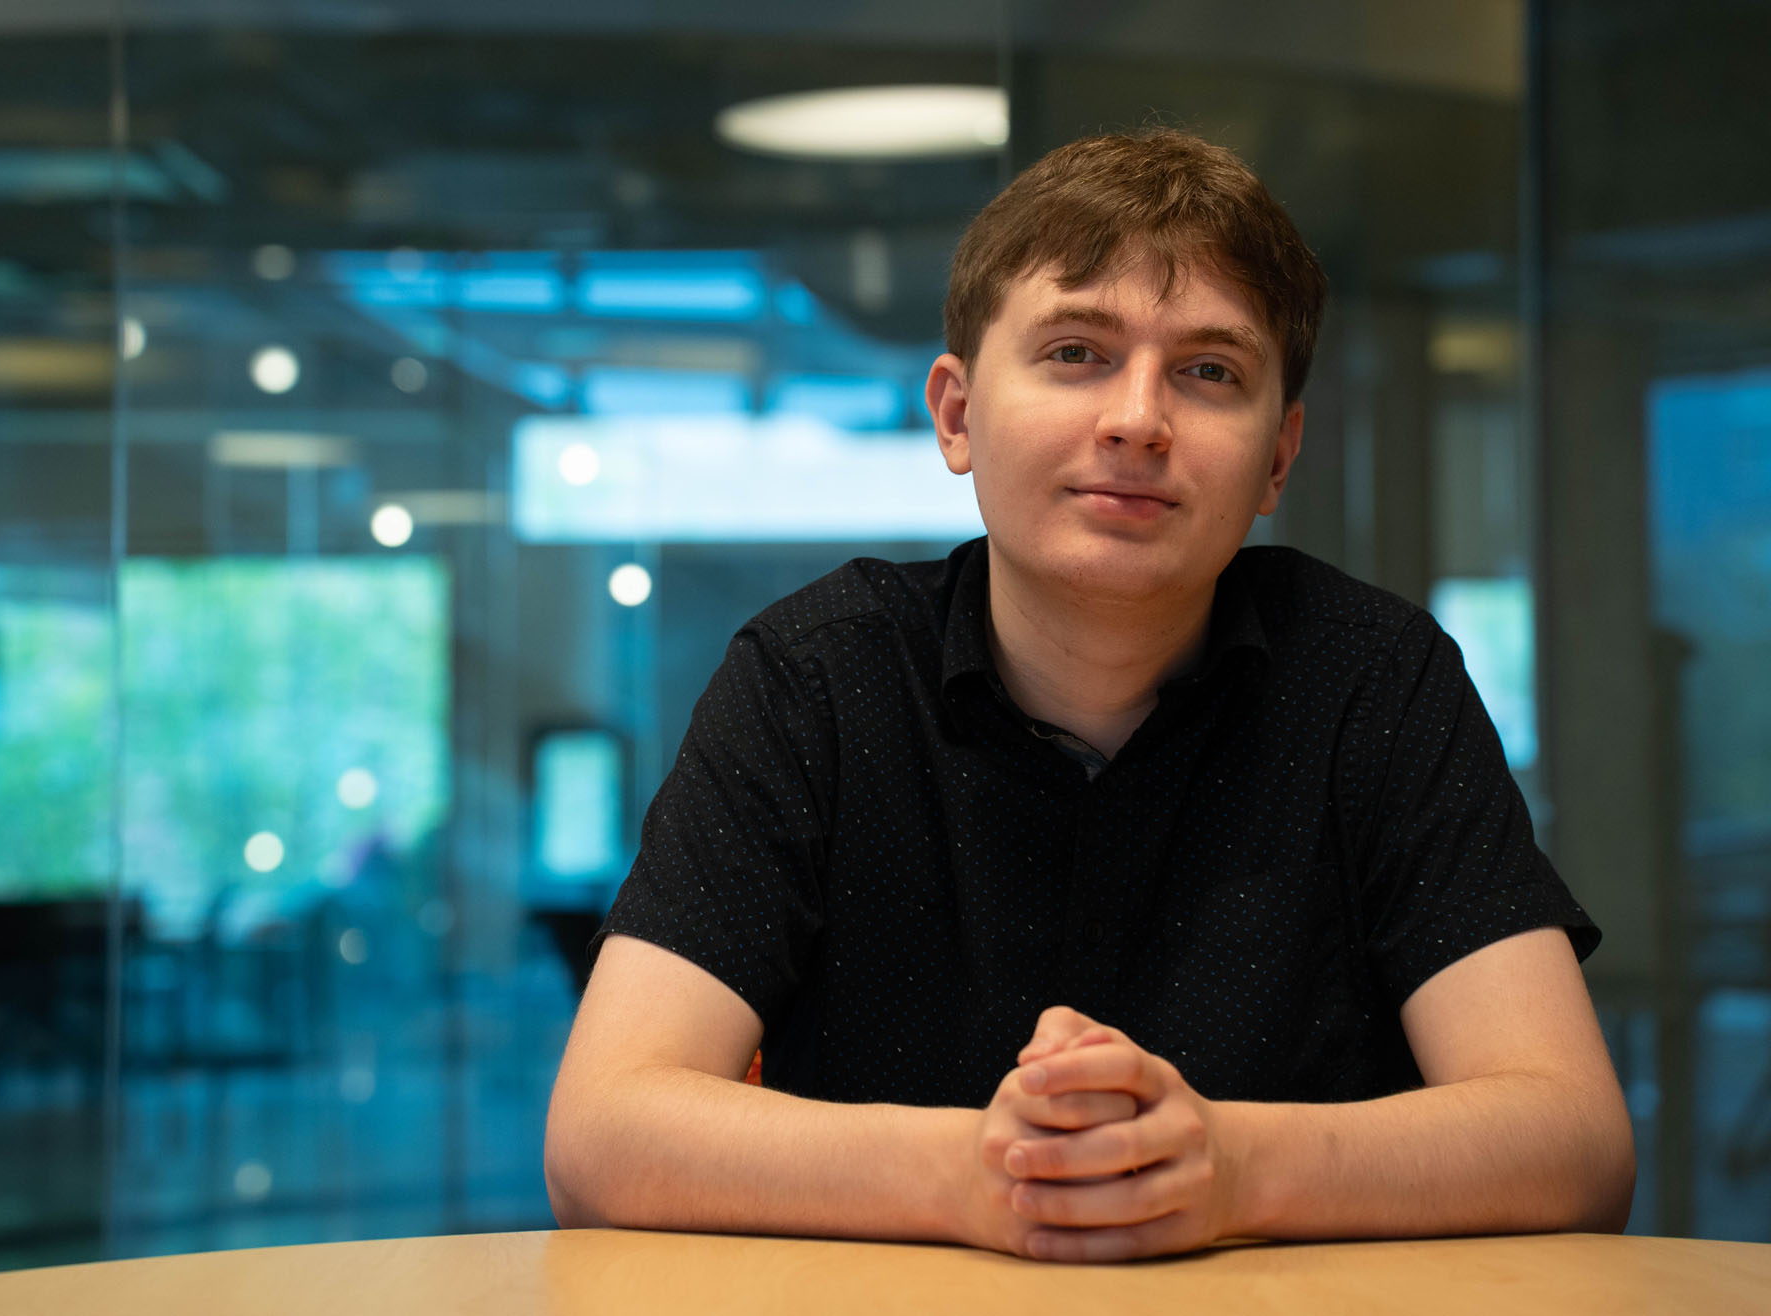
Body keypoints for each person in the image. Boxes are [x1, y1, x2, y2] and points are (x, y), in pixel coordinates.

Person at [542, 129, 1635, 1261]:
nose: (1135, 420)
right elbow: (601, 1129)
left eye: (1208, 373)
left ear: (1276, 459)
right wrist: (982, 1175)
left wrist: (1231, 1167)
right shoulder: (816, 676)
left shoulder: (1372, 678)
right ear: (956, 415)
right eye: (1075, 353)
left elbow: (1574, 1139)